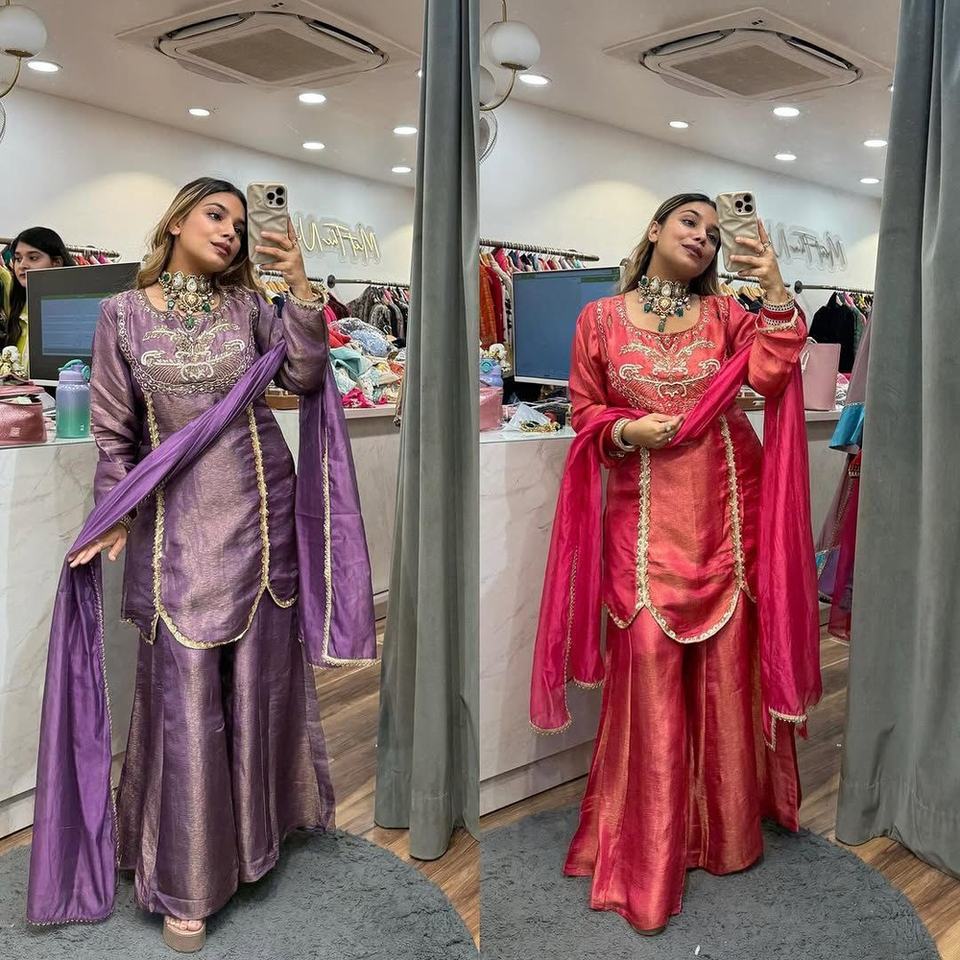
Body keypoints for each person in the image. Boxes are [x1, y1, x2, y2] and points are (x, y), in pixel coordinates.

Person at [26, 177, 375, 952]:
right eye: (216, 215)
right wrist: (113, 513)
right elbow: (114, 431)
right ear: (177, 220)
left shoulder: (250, 308)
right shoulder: (122, 314)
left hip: (262, 509)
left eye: (240, 225)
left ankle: (257, 838)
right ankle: (187, 874)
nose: (229, 232)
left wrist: (298, 284)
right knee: (185, 692)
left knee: (258, 681)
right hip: (175, 528)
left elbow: (305, 377)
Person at [530, 193, 821, 934]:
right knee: (650, 669)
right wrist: (627, 431)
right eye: (690, 222)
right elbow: (584, 409)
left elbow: (773, 374)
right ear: (656, 228)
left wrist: (774, 284)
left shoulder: (726, 317)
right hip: (642, 518)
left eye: (714, 233)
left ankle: (725, 836)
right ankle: (652, 850)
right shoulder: (599, 319)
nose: (703, 237)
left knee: (726, 673)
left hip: (727, 508)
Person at [1, 227, 76, 369]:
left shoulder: (75, 310)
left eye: (33, 258)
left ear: (56, 262)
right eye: (18, 259)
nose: (22, 265)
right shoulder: (18, 308)